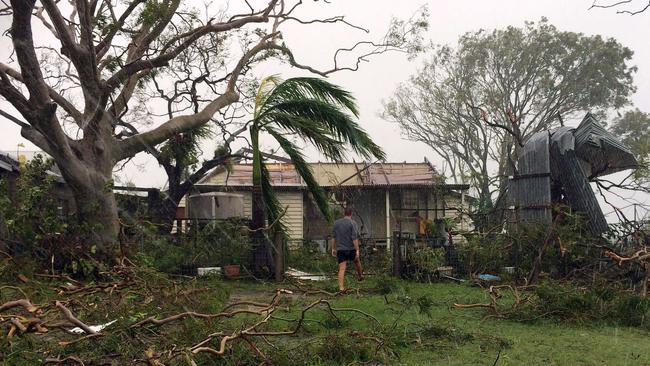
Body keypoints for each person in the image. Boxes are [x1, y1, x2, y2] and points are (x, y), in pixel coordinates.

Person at [331, 206, 364, 291]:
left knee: (342, 268)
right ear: (351, 214)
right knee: (357, 261)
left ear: (344, 213)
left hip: (341, 249)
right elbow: (354, 238)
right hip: (351, 249)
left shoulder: (336, 223)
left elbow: (334, 237)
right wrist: (357, 250)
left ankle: (341, 287)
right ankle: (360, 276)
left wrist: (333, 248)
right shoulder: (353, 223)